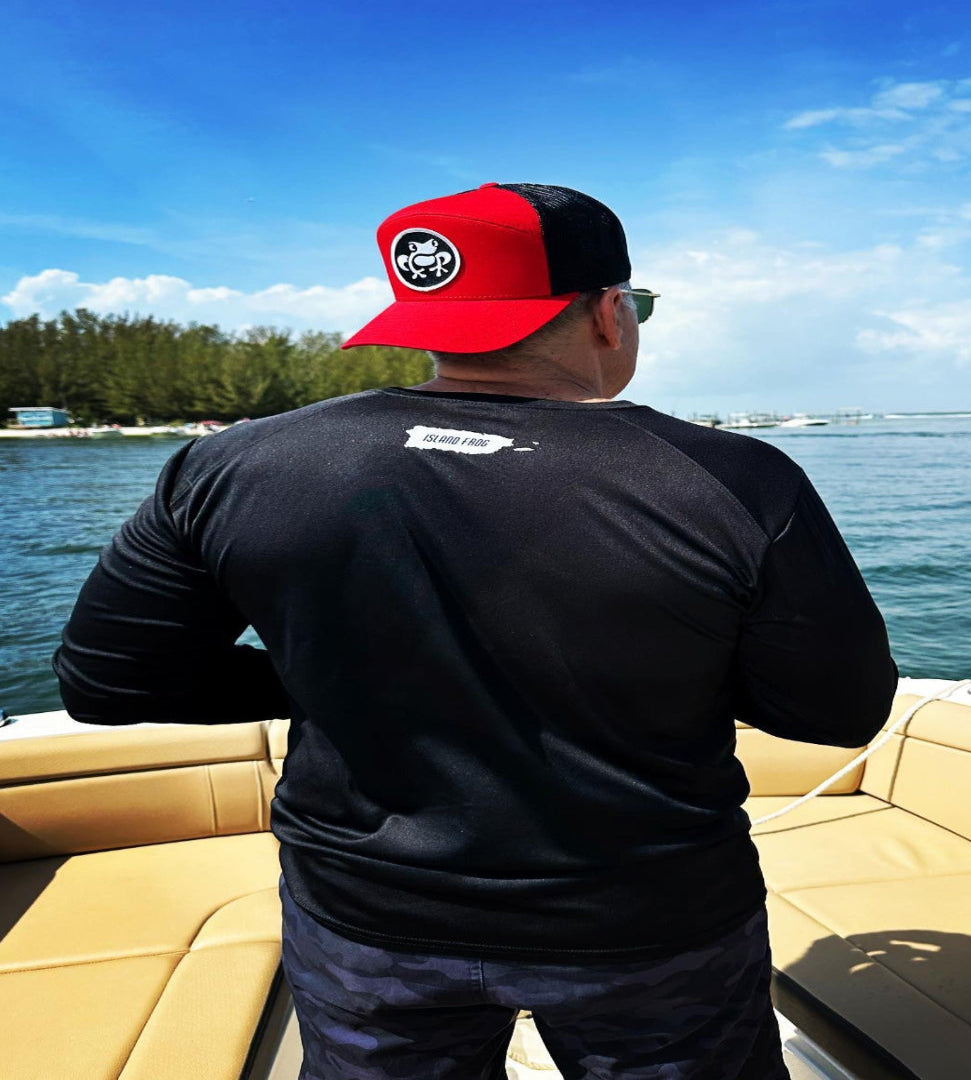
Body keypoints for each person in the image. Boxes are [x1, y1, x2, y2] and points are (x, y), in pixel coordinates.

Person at [53, 182, 898, 1080]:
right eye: (634, 304)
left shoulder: (229, 464)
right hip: (646, 924)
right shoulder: (733, 480)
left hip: (364, 922)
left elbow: (111, 684)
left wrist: (323, 672)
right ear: (610, 314)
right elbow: (835, 713)